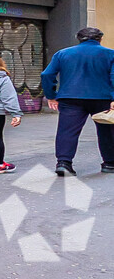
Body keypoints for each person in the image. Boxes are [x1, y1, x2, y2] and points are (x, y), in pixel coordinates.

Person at [39, 25, 114, 175]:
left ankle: (64, 162)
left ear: (78, 39)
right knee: (107, 130)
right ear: (100, 39)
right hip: (102, 97)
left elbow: (47, 75)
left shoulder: (63, 54)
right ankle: (109, 163)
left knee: (67, 131)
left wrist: (51, 95)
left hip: (70, 97)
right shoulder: (110, 54)